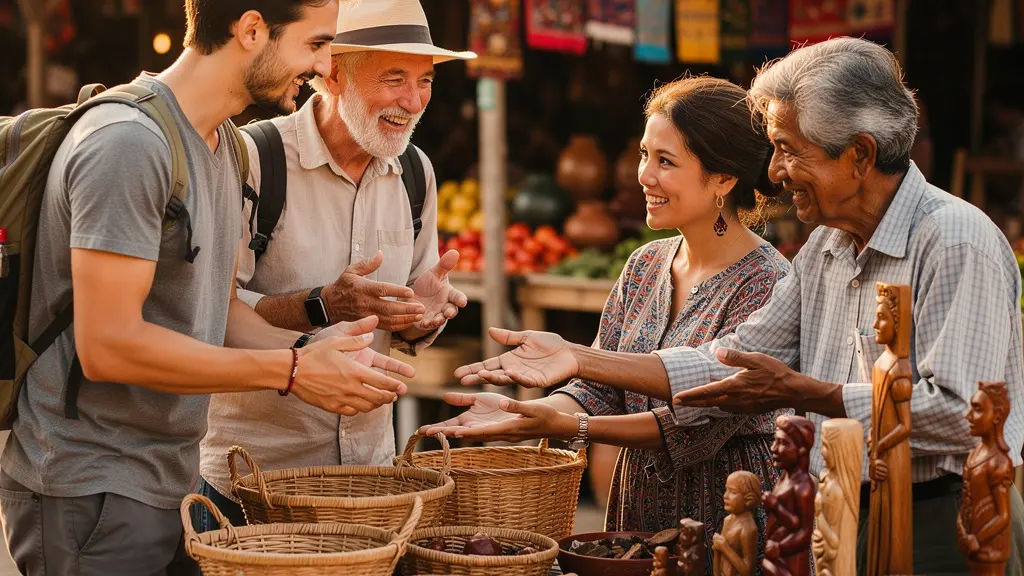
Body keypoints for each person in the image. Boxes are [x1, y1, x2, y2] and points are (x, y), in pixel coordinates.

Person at [443, 37, 1024, 574]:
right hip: (843, 505)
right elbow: (734, 360)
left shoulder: (954, 241)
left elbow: (959, 415)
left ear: (860, 155)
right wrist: (576, 359)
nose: (771, 173)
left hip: (947, 517)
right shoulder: (826, 246)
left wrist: (808, 393)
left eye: (788, 151)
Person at [0, 1, 415, 574]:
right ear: (251, 30)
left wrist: (311, 357)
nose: (323, 68)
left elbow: (214, 311)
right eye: (315, 45)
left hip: (171, 480)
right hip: (90, 485)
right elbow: (107, 345)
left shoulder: (227, 147)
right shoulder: (128, 143)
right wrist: (292, 374)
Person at [422, 76, 790, 562]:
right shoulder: (644, 265)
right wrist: (532, 414)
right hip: (633, 519)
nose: (643, 175)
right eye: (643, 154)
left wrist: (567, 425)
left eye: (666, 161)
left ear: (723, 179)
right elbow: (598, 389)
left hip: (726, 522)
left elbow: (696, 426)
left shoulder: (769, 282)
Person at [197, 0, 473, 529]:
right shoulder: (253, 159)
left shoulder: (416, 172)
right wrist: (322, 305)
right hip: (252, 483)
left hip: (370, 483)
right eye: (394, 79)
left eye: (425, 81)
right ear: (332, 74)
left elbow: (410, 316)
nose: (413, 102)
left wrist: (422, 315)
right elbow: (210, 312)